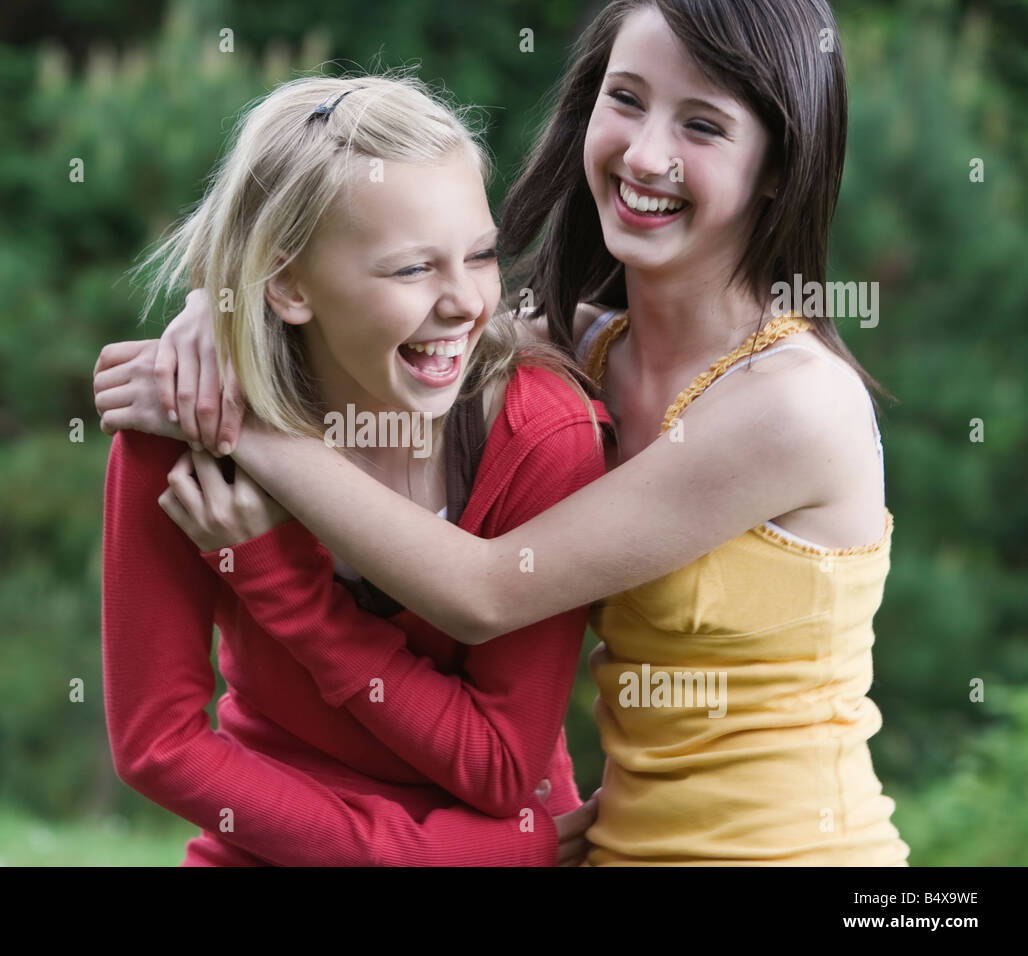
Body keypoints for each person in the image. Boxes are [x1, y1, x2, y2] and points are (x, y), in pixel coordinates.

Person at [97, 0, 910, 865]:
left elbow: (483, 592)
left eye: (703, 125)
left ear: (781, 166)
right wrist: (218, 314)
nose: (644, 154)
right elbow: (384, 315)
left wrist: (245, 430)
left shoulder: (791, 405)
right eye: (626, 99)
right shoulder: (589, 351)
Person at [99, 73, 608, 866]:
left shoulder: (541, 435)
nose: (466, 304)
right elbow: (155, 744)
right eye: (410, 270)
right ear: (289, 284)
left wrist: (285, 585)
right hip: (335, 848)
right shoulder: (183, 420)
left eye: (479, 256)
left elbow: (501, 766)